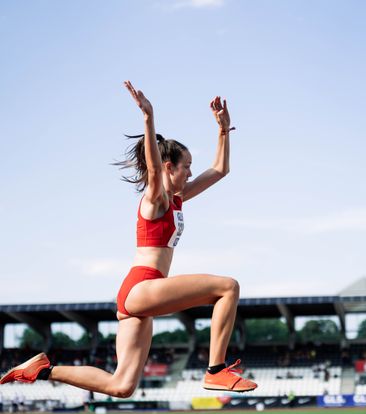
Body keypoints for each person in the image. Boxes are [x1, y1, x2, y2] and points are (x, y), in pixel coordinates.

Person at [0, 82, 257, 396]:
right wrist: (149, 120)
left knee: (121, 385)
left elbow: (219, 170)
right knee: (227, 287)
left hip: (139, 297)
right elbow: (152, 169)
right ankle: (216, 370)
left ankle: (42, 369)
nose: (190, 173)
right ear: (168, 167)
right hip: (142, 286)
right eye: (186, 167)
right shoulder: (156, 199)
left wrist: (223, 130)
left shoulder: (177, 198)